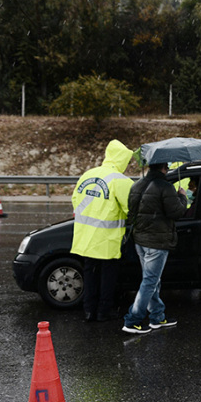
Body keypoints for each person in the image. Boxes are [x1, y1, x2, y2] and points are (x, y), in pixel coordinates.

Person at [70, 139, 134, 322]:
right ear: (121, 159)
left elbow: (75, 200)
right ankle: (104, 311)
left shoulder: (88, 174)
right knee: (108, 277)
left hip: (86, 238)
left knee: (89, 274)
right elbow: (131, 209)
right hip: (107, 239)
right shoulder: (121, 181)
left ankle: (89, 310)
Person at [122, 162, 188, 334]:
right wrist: (182, 197)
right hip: (156, 242)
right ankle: (132, 320)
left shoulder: (136, 185)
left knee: (152, 280)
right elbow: (177, 213)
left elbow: (132, 211)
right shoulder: (165, 187)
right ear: (164, 168)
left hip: (140, 240)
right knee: (150, 281)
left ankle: (157, 317)